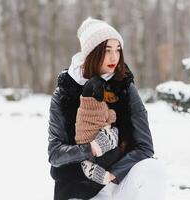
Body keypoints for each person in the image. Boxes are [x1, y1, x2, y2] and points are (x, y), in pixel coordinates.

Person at [48, 17, 165, 200]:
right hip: (78, 185)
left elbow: (145, 147)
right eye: (107, 50)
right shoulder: (64, 93)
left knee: (153, 169)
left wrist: (112, 174)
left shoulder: (124, 87)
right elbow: (55, 154)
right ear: (92, 53)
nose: (114, 57)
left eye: (117, 50)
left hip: (118, 180)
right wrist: (92, 148)